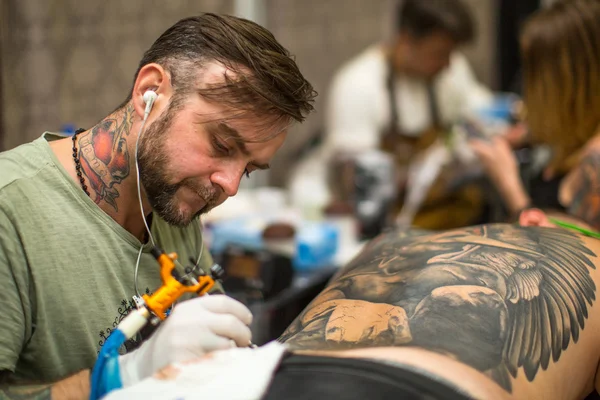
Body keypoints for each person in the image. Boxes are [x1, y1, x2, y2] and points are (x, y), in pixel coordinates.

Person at [0, 13, 315, 399]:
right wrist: (125, 375)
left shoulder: (173, 201)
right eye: (222, 145)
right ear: (150, 92)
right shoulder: (11, 211)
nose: (229, 186)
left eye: (248, 169)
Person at [290, 0, 493, 234]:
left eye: (451, 53)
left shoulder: (449, 70)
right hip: (381, 228)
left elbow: (483, 111)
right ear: (406, 40)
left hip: (441, 219)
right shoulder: (359, 85)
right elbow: (358, 185)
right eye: (438, 54)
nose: (447, 64)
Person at [471, 0, 600, 229]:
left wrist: (511, 188)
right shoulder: (577, 130)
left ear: (569, 82)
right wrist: (533, 133)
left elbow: (576, 258)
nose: (528, 90)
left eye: (533, 74)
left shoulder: (596, 161)